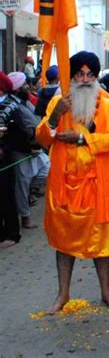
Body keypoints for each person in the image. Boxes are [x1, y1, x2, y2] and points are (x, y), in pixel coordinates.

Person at [36, 51, 109, 313]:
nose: (85, 79)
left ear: (96, 78)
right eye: (80, 74)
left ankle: (106, 292)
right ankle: (63, 295)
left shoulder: (106, 104)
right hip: (63, 187)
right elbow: (42, 139)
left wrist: (83, 140)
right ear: (71, 76)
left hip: (96, 186)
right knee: (64, 241)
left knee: (102, 242)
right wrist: (54, 118)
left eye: (90, 75)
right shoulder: (58, 103)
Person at [7, 72, 49, 229]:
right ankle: (25, 217)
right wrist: (29, 147)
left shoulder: (26, 101)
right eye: (24, 85)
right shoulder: (13, 106)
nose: (27, 86)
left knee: (46, 169)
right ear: (18, 88)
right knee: (22, 184)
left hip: (35, 147)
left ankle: (32, 193)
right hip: (23, 150)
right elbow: (17, 131)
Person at [0, 72, 21, 249]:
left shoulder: (11, 106)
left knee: (6, 195)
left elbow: (20, 134)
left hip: (6, 157)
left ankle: (11, 233)